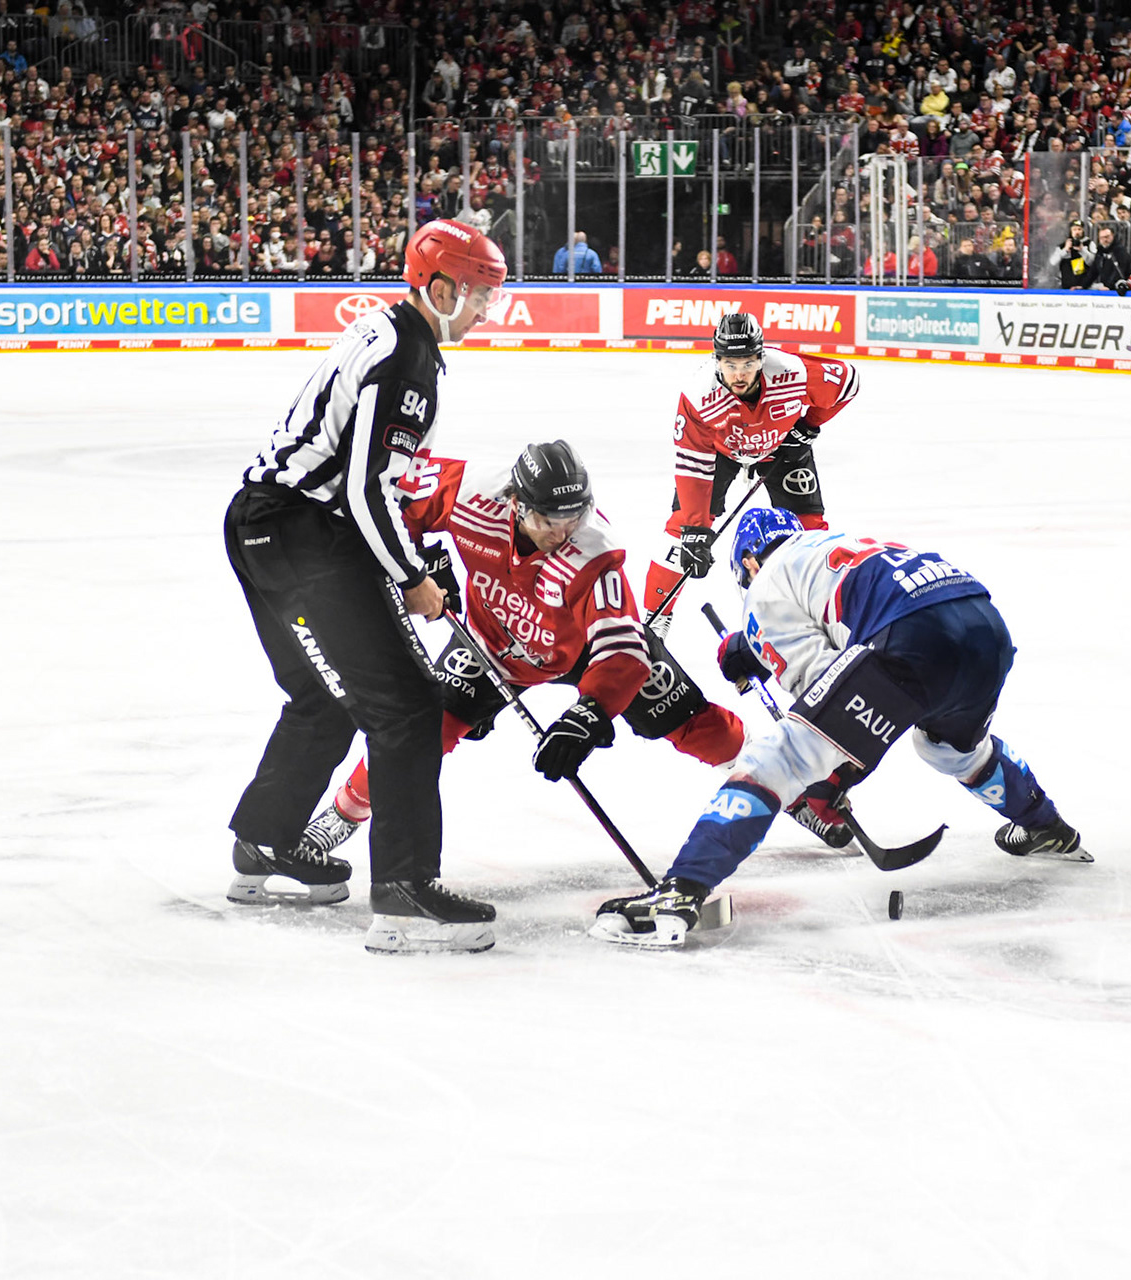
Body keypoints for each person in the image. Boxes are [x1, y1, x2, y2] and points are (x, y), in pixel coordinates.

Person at [591, 509, 1085, 948]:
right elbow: (846, 645)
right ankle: (1049, 828)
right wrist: (755, 648)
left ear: (747, 564)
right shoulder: (831, 545)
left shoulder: (765, 583)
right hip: (984, 627)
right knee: (950, 750)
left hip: (914, 638)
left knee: (777, 762)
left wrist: (831, 780)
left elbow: (823, 690)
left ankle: (679, 893)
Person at [224, 218, 506, 956]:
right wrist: (410, 575)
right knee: (410, 703)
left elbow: (373, 483)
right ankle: (406, 889)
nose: (486, 312)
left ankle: (264, 842)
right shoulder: (408, 356)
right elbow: (363, 488)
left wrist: (412, 556)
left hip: (262, 525)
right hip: (302, 535)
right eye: (479, 296)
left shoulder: (388, 331)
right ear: (439, 286)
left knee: (324, 695)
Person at [302, 441, 752, 842]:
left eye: (573, 517)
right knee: (420, 731)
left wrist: (589, 714)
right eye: (547, 520)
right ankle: (347, 811)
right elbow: (388, 499)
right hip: (491, 643)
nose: (562, 533)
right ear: (515, 503)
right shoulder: (470, 492)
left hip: (585, 653)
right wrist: (417, 562)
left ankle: (779, 778)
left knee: (695, 724)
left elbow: (622, 652)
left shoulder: (594, 551)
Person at [642, 311, 860, 631]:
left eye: (747, 363)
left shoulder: (791, 372)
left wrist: (808, 426)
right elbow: (693, 465)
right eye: (730, 364)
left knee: (811, 532)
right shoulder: (699, 396)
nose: (739, 374)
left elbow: (847, 381)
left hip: (782, 448)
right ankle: (655, 619)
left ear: (762, 357)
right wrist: (695, 528)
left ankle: (825, 611)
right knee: (680, 534)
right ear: (716, 360)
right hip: (720, 453)